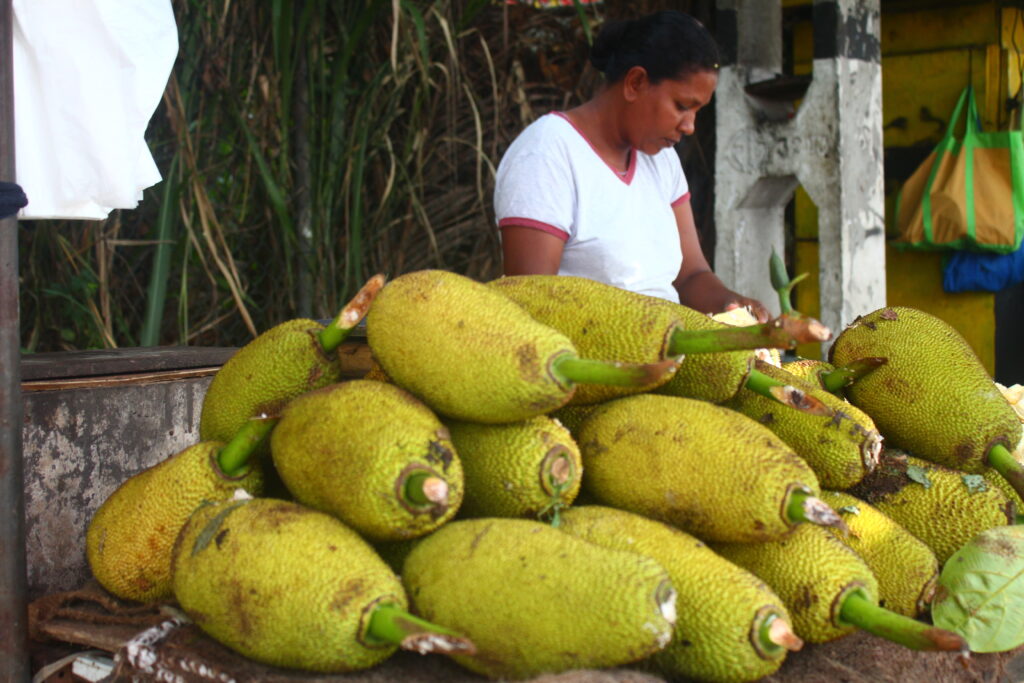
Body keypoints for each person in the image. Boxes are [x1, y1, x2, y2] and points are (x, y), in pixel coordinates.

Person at [494, 10, 770, 322]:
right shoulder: (546, 154)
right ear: (635, 82)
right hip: (588, 363)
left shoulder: (663, 160)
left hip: (668, 352)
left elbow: (691, 275)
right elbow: (532, 305)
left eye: (697, 111)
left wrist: (731, 306)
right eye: (681, 106)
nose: (690, 126)